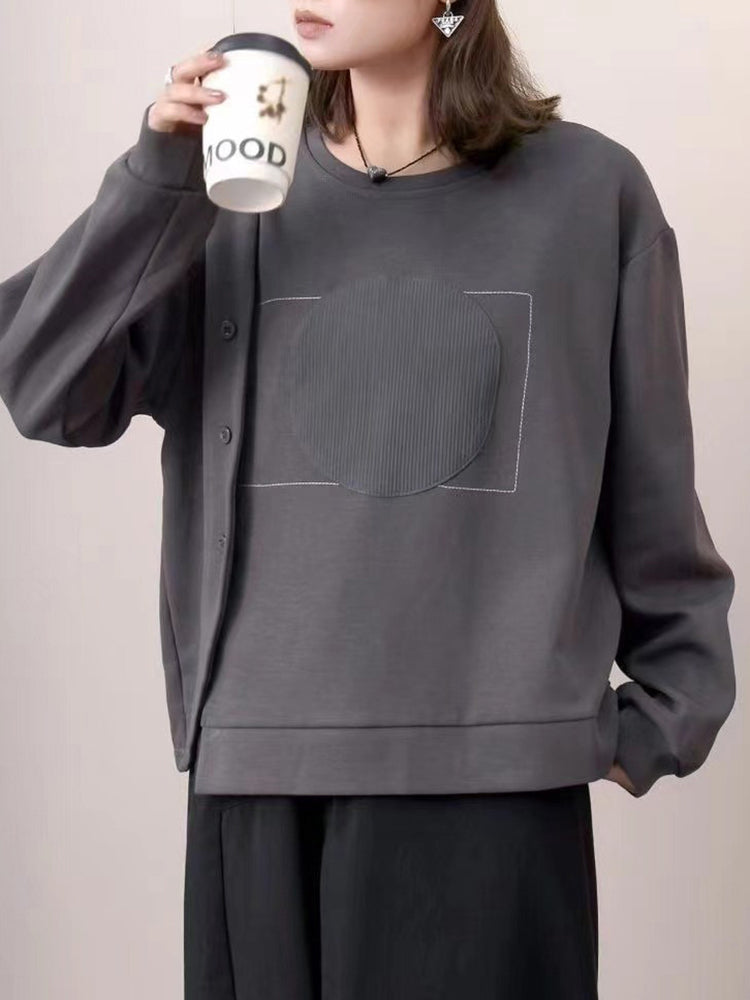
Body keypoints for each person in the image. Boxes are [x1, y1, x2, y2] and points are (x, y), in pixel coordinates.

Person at [0, 1, 736, 998]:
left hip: (494, 787)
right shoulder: (221, 199)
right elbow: (43, 386)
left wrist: (666, 712)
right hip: (259, 776)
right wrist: (159, 181)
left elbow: (651, 477)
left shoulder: (589, 194)